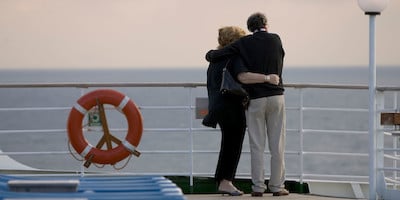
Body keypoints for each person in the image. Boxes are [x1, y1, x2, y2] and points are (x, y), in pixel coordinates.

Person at [205, 12, 288, 197]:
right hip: (269, 97)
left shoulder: (225, 55)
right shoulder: (275, 39)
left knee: (254, 145)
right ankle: (276, 186)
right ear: (267, 23)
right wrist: (269, 77)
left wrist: (209, 53)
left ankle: (257, 187)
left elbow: (211, 55)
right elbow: (243, 76)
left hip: (240, 103)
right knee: (276, 145)